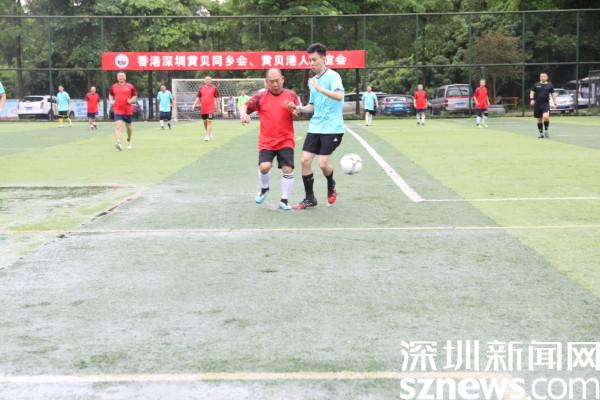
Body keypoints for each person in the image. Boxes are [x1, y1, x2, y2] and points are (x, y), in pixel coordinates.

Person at [287, 43, 345, 209]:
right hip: (315, 126)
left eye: (314, 60)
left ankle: (331, 184)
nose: (311, 63)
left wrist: (320, 88)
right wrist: (298, 108)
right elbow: (312, 106)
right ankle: (310, 198)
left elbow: (339, 96)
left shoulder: (333, 76)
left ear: (323, 58)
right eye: (309, 60)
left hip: (332, 127)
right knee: (305, 161)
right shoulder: (312, 81)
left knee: (323, 163)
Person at [240, 68, 300, 211]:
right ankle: (265, 188)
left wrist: (294, 110)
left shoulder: (291, 95)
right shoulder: (260, 97)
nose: (275, 84)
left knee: (287, 169)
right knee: (264, 167)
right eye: (271, 81)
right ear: (266, 82)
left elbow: (298, 114)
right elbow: (245, 106)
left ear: (282, 80)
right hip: (267, 141)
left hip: (285, 140)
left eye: (277, 81)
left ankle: (284, 200)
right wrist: (243, 114)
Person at [108, 72, 138, 151]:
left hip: (127, 110)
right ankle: (118, 143)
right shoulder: (114, 86)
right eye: (119, 76)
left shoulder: (130, 86)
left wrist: (131, 100)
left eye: (122, 76)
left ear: (125, 78)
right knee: (117, 127)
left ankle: (129, 140)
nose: (121, 77)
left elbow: (135, 95)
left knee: (128, 127)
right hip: (118, 109)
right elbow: (110, 94)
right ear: (117, 78)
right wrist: (111, 100)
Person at [191, 76, 221, 141]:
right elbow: (198, 97)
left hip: (211, 108)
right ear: (204, 81)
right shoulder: (201, 88)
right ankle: (209, 133)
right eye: (206, 79)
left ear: (211, 81)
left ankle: (207, 136)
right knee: (205, 122)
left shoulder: (214, 88)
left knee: (209, 121)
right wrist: (194, 105)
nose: (208, 80)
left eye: (209, 79)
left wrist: (218, 108)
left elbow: (217, 98)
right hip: (203, 108)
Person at [530, 72, 557, 139]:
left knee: (545, 116)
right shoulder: (536, 85)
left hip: (545, 103)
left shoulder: (550, 85)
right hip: (537, 104)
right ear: (540, 77)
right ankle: (541, 133)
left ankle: (546, 130)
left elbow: (553, 95)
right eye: (541, 76)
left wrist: (555, 103)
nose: (543, 77)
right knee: (539, 119)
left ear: (547, 77)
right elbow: (532, 92)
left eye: (544, 76)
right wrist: (532, 99)